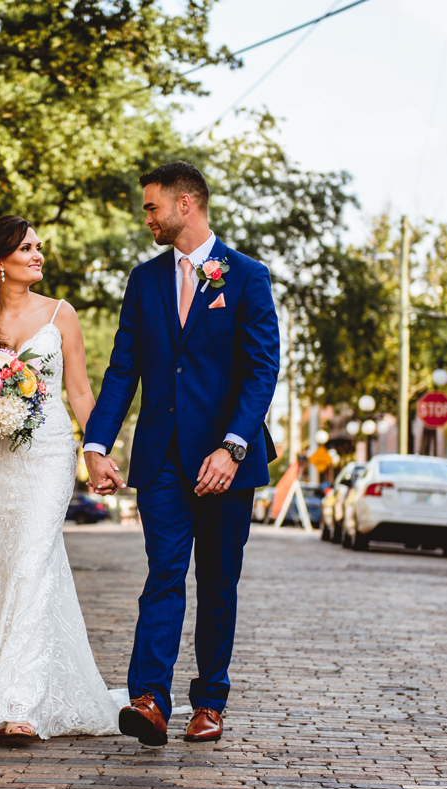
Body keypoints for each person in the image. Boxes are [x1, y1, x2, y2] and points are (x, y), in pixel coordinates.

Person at [84, 161, 280, 745]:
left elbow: (261, 370)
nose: (146, 217)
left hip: (227, 461)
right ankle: (149, 699)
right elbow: (123, 369)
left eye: (152, 207)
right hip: (164, 457)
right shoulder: (144, 282)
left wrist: (233, 446)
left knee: (218, 582)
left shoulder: (246, 277)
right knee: (164, 573)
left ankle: (209, 702)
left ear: (185, 204)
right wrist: (96, 443)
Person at [0, 216, 119, 741]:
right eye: (27, 248)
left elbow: (80, 392)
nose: (38, 255)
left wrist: (97, 451)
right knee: (0, 565)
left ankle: (18, 704)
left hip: (48, 453)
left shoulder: (62, 315)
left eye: (39, 247)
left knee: (33, 562)